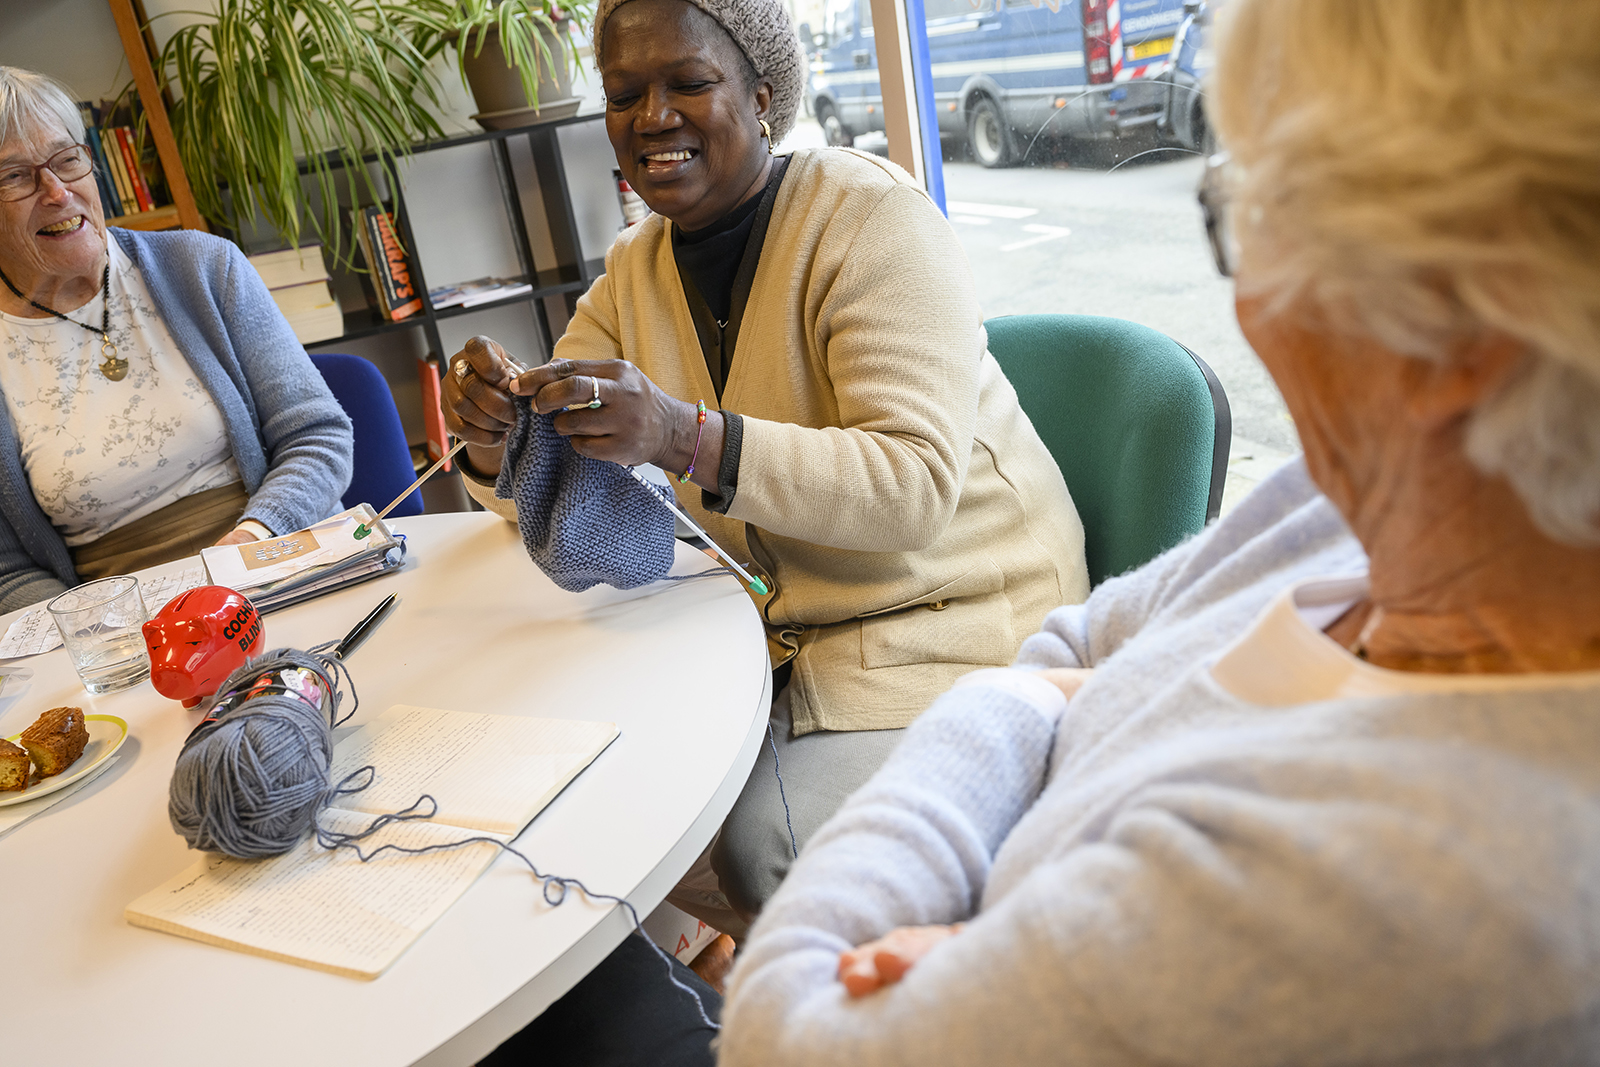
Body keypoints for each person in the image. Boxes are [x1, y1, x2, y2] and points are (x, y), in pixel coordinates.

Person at [705, 0, 1600, 1062]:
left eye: (1252, 209)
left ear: (1460, 314)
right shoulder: (1357, 508)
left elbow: (781, 1030)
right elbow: (1075, 642)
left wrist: (1000, 857)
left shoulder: (1409, 891)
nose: (1250, 295)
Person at [443, 0, 1088, 938]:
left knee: (754, 849)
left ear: (762, 93)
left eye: (688, 84)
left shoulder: (872, 220)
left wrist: (681, 436)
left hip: (958, 622)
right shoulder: (636, 270)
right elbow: (551, 465)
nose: (651, 117)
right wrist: (498, 434)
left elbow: (910, 490)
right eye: (623, 96)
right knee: (586, 799)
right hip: (787, 641)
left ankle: (898, 998)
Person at [0, 67, 353, 612]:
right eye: (15, 177)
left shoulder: (202, 266)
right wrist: (100, 626)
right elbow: (8, 572)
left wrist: (252, 541)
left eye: (67, 159)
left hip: (278, 563)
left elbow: (319, 436)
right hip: (124, 630)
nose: (56, 191)